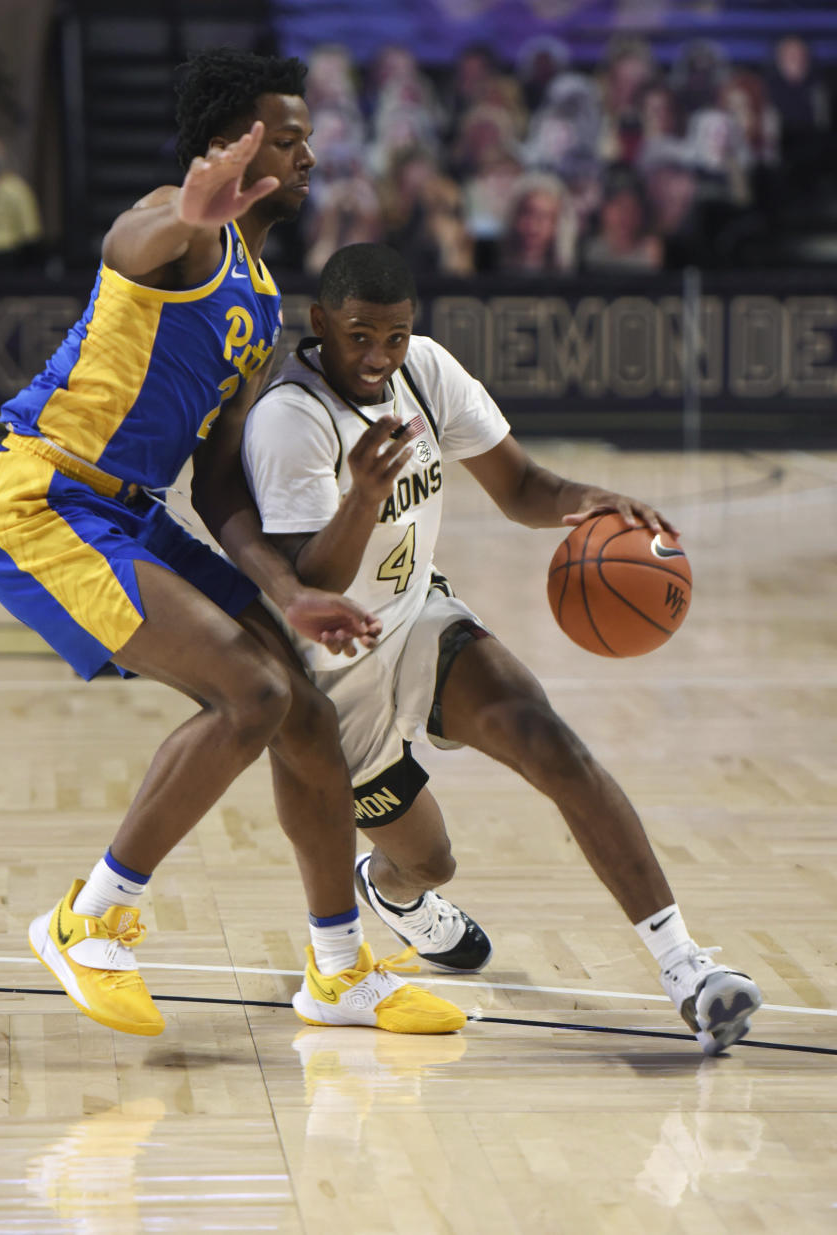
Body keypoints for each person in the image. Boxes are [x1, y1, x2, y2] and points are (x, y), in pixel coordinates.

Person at [0, 51, 464, 1040]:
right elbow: (130, 238)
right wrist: (193, 211)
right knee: (254, 693)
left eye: (303, 135)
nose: (310, 152)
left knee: (305, 709)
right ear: (228, 151)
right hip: (42, 501)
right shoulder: (178, 233)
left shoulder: (263, 299)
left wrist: (286, 589)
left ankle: (337, 974)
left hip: (132, 511)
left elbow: (223, 482)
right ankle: (90, 920)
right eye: (287, 136)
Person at [240, 242, 763, 1055]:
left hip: (415, 617)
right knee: (431, 860)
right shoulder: (290, 419)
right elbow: (314, 585)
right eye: (358, 336)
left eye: (395, 336)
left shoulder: (429, 374)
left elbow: (520, 487)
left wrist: (586, 501)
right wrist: (367, 496)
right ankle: (393, 891)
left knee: (548, 739)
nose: (379, 357)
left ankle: (686, 970)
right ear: (319, 326)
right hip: (332, 669)